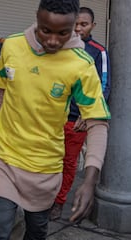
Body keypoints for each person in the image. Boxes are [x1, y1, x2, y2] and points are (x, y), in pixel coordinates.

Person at [0, 0, 111, 240]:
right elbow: (4, 94)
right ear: (37, 20)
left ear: (74, 26)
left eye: (62, 33)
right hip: (5, 157)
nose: (52, 40)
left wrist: (90, 178)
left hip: (44, 165)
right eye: (44, 30)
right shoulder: (12, 46)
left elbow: (97, 122)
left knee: (37, 229)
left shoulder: (82, 64)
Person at [50, 6, 111, 220]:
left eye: (83, 24)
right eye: (75, 24)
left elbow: (103, 87)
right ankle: (45, 198)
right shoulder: (61, 47)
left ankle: (58, 202)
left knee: (68, 162)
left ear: (93, 26)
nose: (78, 28)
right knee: (50, 160)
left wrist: (87, 116)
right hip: (55, 118)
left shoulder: (97, 51)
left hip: (77, 120)